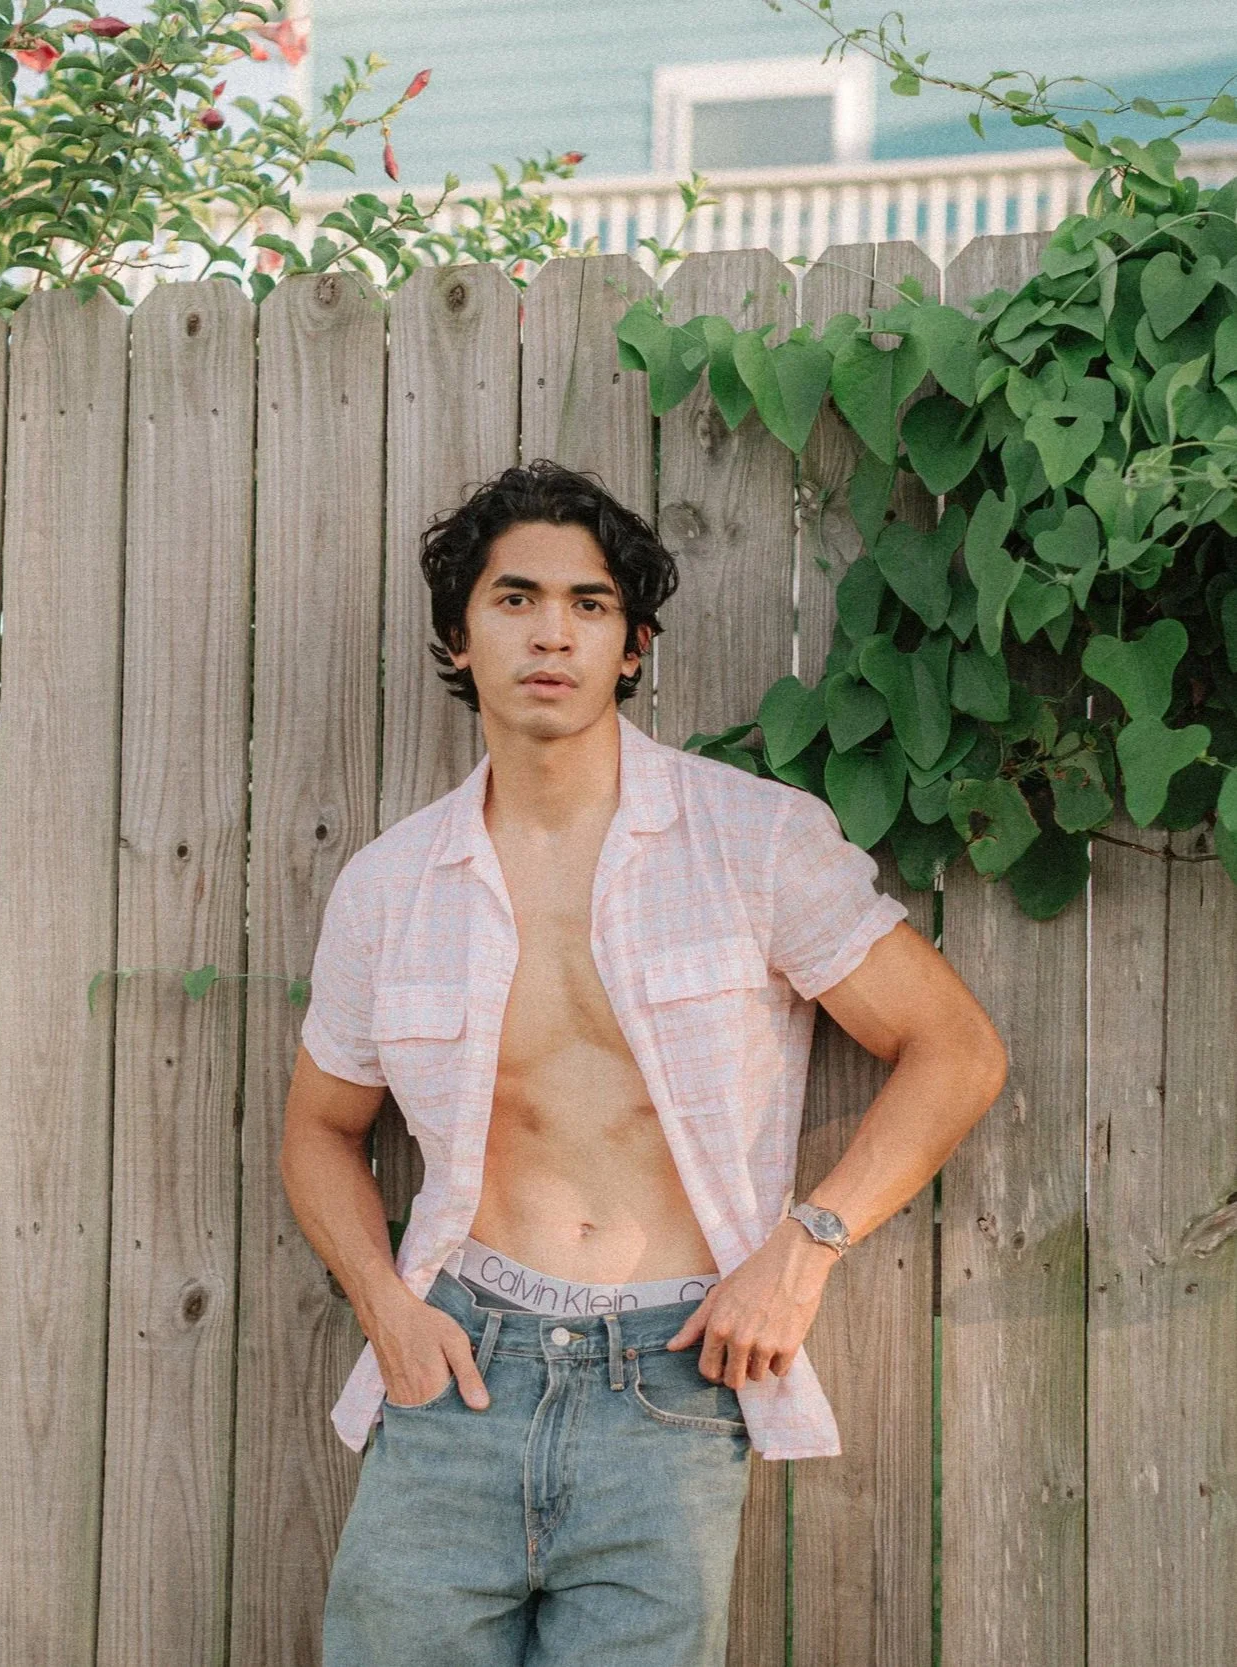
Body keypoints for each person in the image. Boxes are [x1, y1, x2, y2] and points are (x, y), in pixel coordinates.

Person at [281, 458, 1007, 1667]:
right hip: (454, 1367)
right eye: (513, 599)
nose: (551, 631)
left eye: (590, 602)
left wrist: (806, 1245)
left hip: (670, 1384)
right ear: (460, 639)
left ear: (632, 643)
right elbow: (318, 1128)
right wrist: (385, 1306)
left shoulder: (752, 840)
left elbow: (957, 1049)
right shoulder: (389, 887)